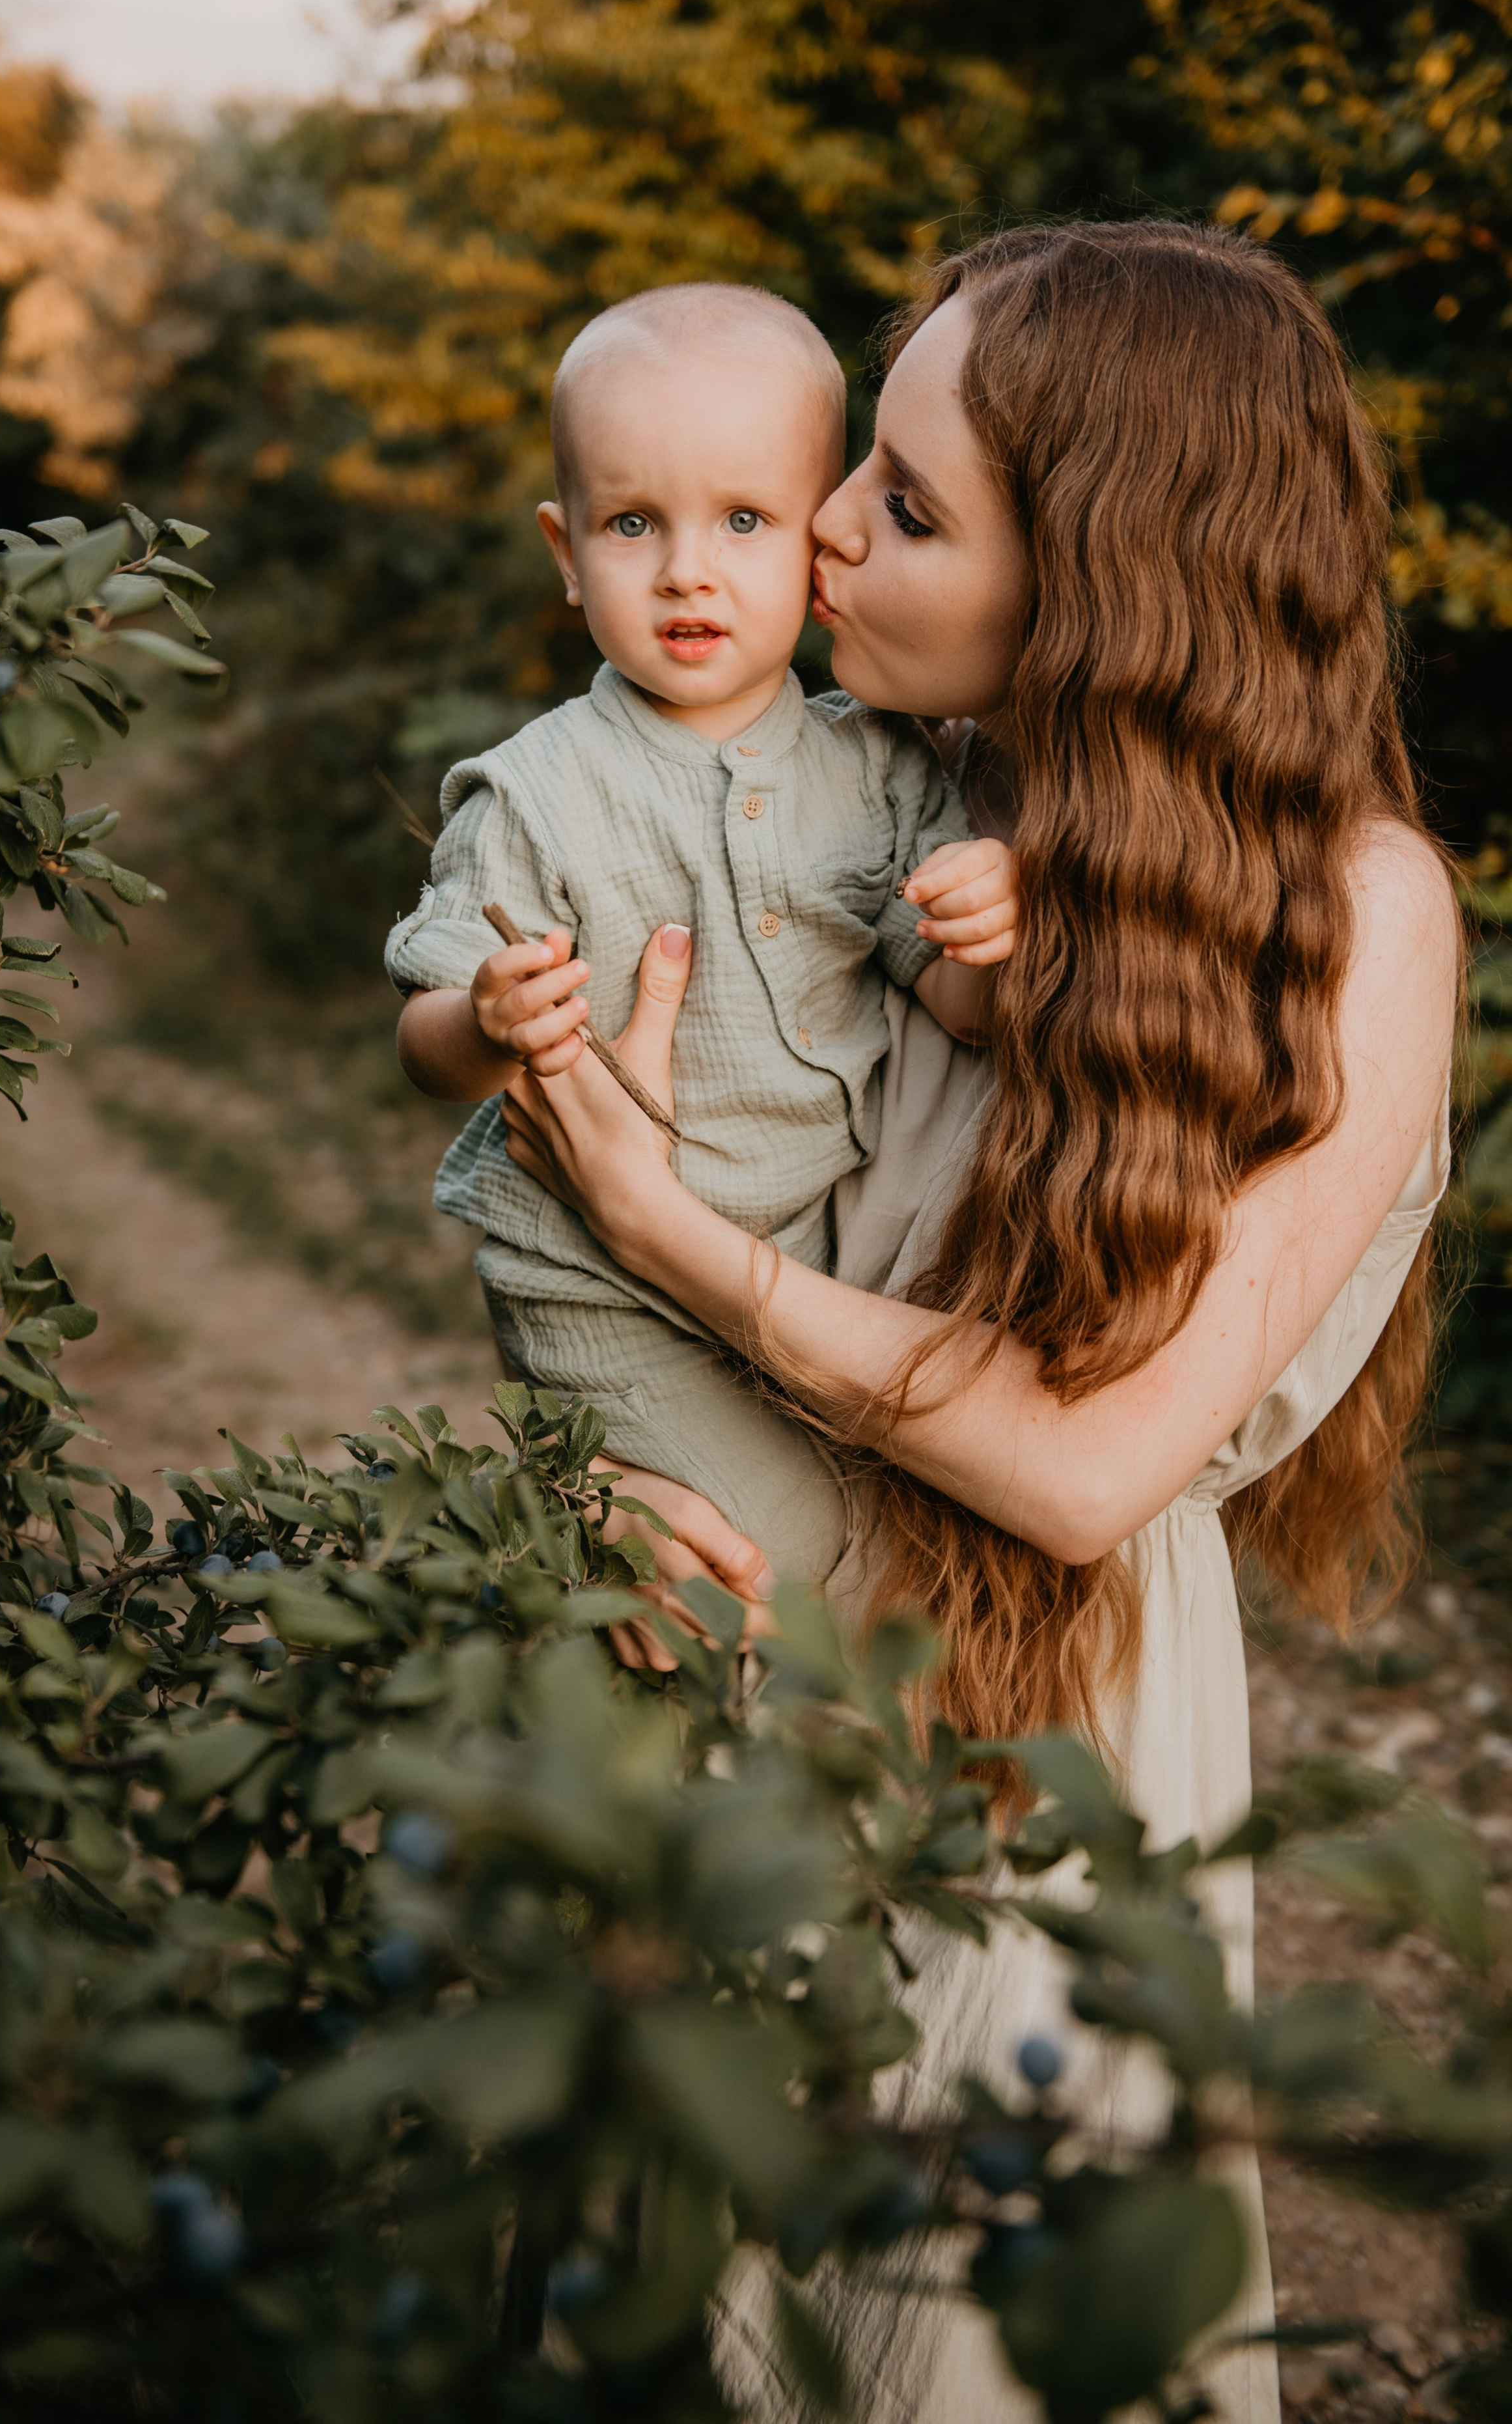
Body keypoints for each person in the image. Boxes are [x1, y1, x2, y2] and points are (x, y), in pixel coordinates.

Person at [497, 221, 1461, 2423]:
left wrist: (672, 1237)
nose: (821, 524)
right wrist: (590, 1477)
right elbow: (553, 1202)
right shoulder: (838, 797)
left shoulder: (1359, 915)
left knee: (953, 2330)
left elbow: (1088, 1464)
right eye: (862, 464)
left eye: (909, 506)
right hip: (729, 1682)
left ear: (1107, 581)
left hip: (1038, 1754)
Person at [388, 282, 1019, 1613]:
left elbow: (964, 1010)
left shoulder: (876, 766)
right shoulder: (536, 792)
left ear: (819, 543)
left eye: (742, 520)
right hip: (602, 1290)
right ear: (567, 552)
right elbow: (424, 1047)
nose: (686, 569)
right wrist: (486, 1021)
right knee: (774, 1565)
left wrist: (991, 916)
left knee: (882, 1543)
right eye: (633, 524)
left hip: (799, 1266)